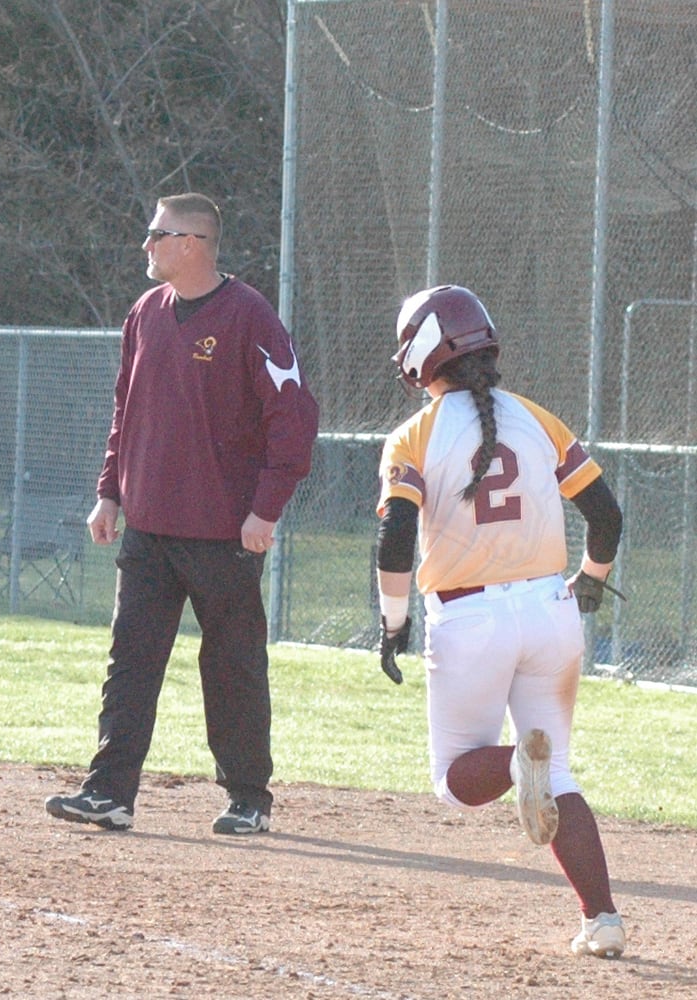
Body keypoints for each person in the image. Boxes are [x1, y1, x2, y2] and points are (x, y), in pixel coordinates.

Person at [45, 193, 319, 835]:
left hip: (223, 532)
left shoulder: (249, 317)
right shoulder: (144, 313)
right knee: (130, 659)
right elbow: (126, 410)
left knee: (231, 665)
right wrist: (110, 489)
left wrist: (265, 510)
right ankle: (110, 791)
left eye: (156, 234)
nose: (147, 245)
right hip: (147, 527)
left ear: (191, 243)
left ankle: (249, 796)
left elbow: (295, 420)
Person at [374, 284, 627, 957]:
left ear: (421, 354)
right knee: (559, 774)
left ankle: (521, 763)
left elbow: (395, 536)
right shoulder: (538, 418)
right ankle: (601, 920)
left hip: (469, 615)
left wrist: (391, 621)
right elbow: (606, 517)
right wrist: (591, 584)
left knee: (455, 781)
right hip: (551, 609)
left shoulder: (414, 435)